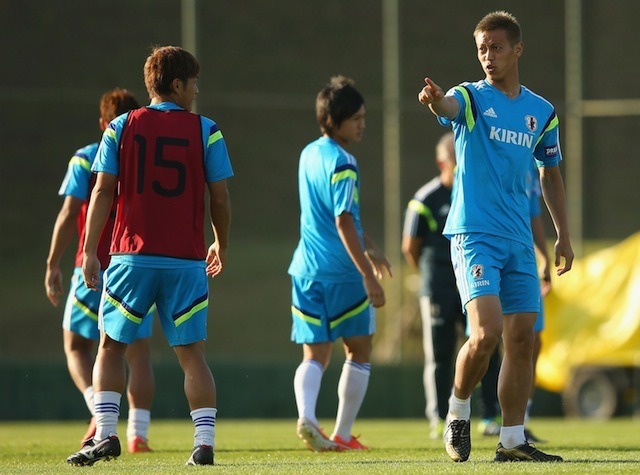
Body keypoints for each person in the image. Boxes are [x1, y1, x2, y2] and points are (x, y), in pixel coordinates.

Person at [417, 10, 573, 463]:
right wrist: (433, 101)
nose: (488, 56)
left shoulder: (541, 112)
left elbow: (550, 174)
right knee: (486, 333)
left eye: (497, 47)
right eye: (482, 48)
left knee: (522, 337)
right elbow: (447, 106)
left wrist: (563, 234)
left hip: (519, 241)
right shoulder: (469, 97)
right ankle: (458, 411)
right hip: (475, 235)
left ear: (517, 49)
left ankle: (512, 440)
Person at [66, 45, 233, 467]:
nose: (196, 89)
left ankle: (104, 434)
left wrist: (88, 250)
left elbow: (102, 190)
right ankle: (204, 443)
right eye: (193, 82)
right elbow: (220, 197)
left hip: (130, 258)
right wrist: (221, 241)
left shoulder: (120, 127)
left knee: (110, 346)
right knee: (192, 354)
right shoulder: (206, 130)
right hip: (185, 259)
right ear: (177, 84)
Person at [45, 88, 155, 453]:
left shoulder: (87, 157)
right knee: (138, 351)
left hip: (90, 264)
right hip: (137, 263)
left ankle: (97, 405)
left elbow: (67, 212)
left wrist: (52, 262)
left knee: (78, 345)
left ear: (103, 123)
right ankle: (139, 434)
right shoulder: (146, 161)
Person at [288, 75, 392, 452]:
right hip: (343, 274)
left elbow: (333, 215)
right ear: (335, 121)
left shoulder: (308, 153)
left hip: (305, 270)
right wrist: (368, 274)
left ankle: (307, 418)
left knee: (314, 354)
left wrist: (372, 245)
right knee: (359, 351)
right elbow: (343, 219)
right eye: (357, 118)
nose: (363, 123)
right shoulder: (344, 162)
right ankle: (343, 434)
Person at [401, 132, 501, 440]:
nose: (459, 168)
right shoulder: (425, 199)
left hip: (471, 281)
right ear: (441, 162)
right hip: (438, 286)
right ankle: (439, 417)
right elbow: (410, 248)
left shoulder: (475, 196)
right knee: (440, 354)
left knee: (485, 345)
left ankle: (489, 416)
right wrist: (430, 280)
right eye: (453, 162)